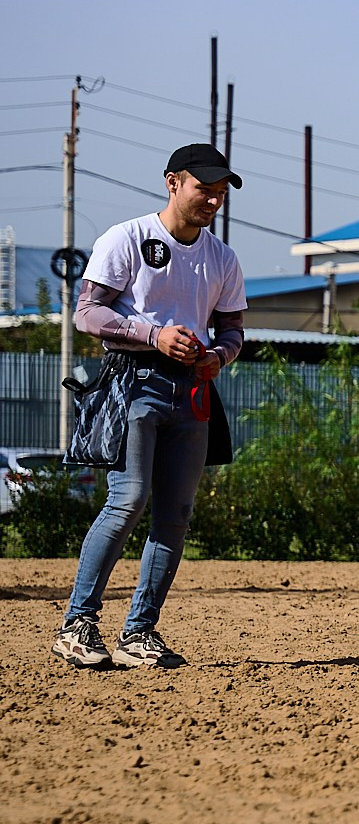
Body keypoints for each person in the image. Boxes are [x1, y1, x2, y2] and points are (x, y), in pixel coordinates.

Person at [51, 143, 245, 670]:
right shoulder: (128, 238)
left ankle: (139, 633)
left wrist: (218, 357)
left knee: (176, 516)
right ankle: (77, 624)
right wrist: (153, 335)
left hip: (194, 392)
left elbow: (233, 330)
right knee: (129, 498)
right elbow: (86, 313)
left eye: (220, 191)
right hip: (133, 382)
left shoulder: (222, 258)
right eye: (204, 188)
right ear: (172, 182)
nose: (213, 199)